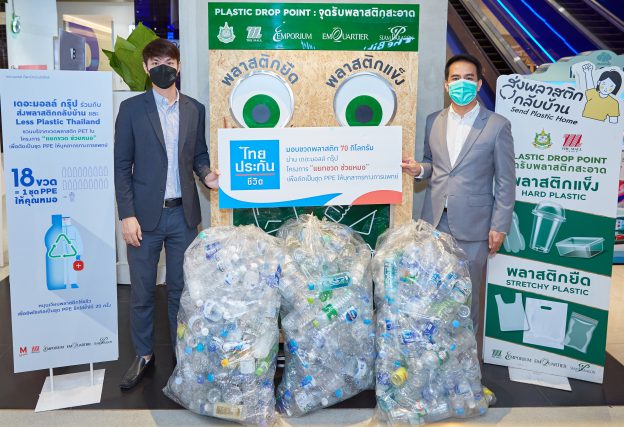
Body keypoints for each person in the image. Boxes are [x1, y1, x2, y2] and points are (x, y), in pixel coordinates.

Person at [114, 38, 219, 389]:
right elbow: (121, 165)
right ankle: (144, 354)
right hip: (143, 219)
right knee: (143, 292)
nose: (163, 68)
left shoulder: (194, 109)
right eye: (156, 63)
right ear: (146, 68)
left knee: (181, 290)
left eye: (169, 62)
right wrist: (126, 215)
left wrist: (207, 175)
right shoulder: (132, 109)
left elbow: (199, 155)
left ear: (179, 66)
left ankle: (181, 353)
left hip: (183, 216)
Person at [401, 54, 515, 332]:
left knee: (466, 299)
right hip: (434, 222)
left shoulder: (497, 125)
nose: (461, 83)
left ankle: (467, 358)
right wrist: (419, 169)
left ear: (479, 84)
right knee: (433, 295)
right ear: (446, 84)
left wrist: (499, 226)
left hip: (474, 226)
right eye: (455, 78)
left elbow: (505, 180)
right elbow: (434, 164)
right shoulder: (434, 121)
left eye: (468, 78)